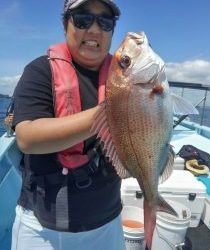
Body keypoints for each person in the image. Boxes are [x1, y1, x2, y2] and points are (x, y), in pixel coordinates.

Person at [11, 1, 125, 249]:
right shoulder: (40, 71)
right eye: (83, 19)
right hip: (43, 228)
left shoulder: (126, 78)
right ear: (66, 25)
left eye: (105, 22)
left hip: (108, 222)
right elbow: (27, 138)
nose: (95, 30)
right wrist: (109, 112)